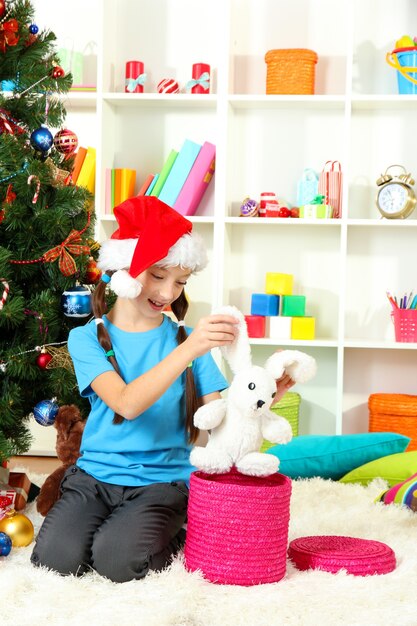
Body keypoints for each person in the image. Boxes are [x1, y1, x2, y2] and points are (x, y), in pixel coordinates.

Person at [31, 196, 293, 583]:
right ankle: (115, 529)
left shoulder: (188, 340)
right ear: (126, 271)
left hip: (161, 482)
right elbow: (125, 403)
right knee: (55, 560)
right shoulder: (86, 339)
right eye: (158, 276)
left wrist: (262, 399)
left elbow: (219, 420)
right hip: (94, 477)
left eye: (181, 282)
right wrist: (189, 348)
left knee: (117, 562)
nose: (169, 293)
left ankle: (178, 530)